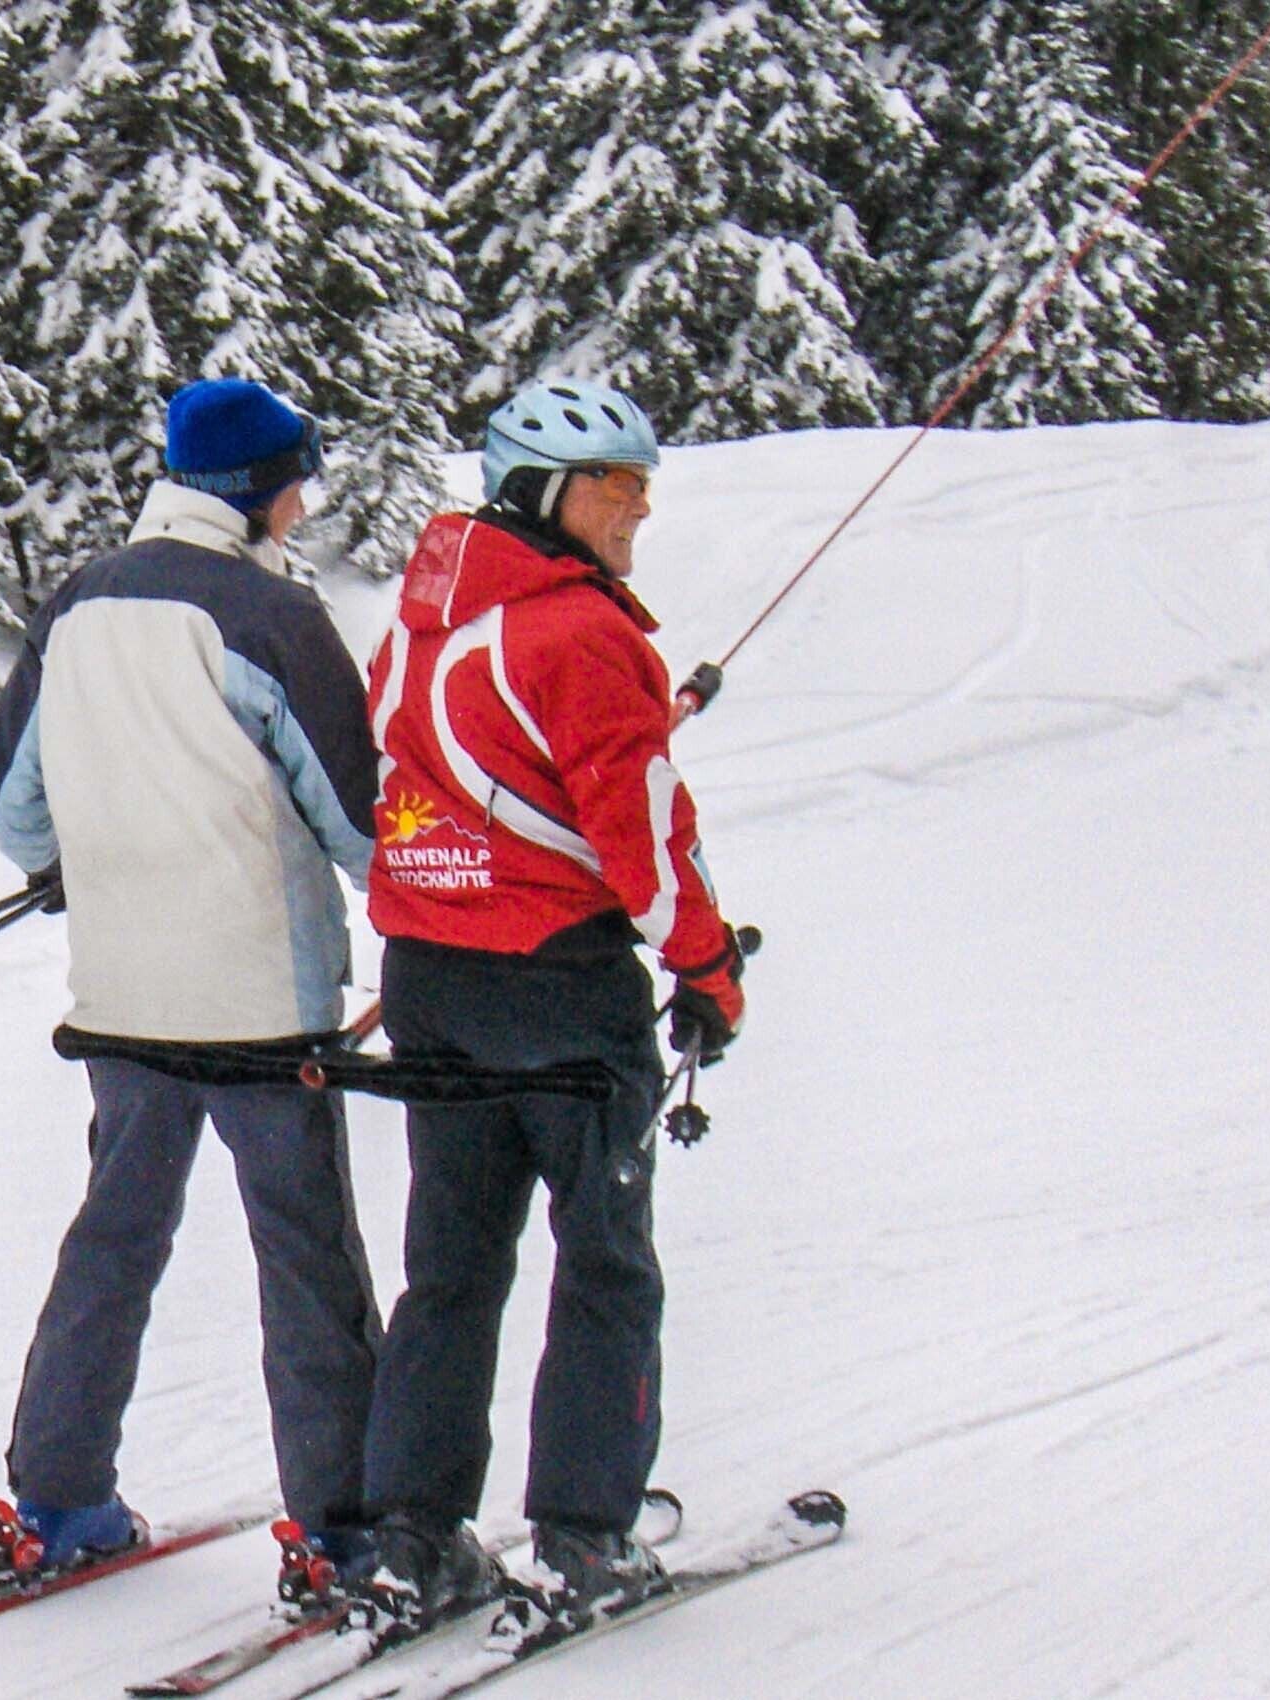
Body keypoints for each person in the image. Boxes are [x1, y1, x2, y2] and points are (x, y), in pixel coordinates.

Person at [0, 378, 386, 1592]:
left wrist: (72, 865)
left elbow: (7, 805)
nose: (304, 502)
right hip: (263, 1005)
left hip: (120, 997)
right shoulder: (269, 614)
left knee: (113, 1240)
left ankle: (54, 1497)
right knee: (306, 1258)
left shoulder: (80, 602)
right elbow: (358, 821)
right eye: (298, 479)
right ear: (260, 488)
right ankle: (341, 1528)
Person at [353, 377, 746, 1631]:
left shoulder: (419, 618)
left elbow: (425, 775)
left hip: (431, 977)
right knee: (606, 1261)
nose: (636, 508)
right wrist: (706, 964)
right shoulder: (579, 632)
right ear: (541, 493)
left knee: (451, 1264)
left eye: (642, 484)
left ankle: (414, 1529)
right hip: (561, 988)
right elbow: (641, 831)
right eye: (613, 486)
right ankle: (582, 1532)